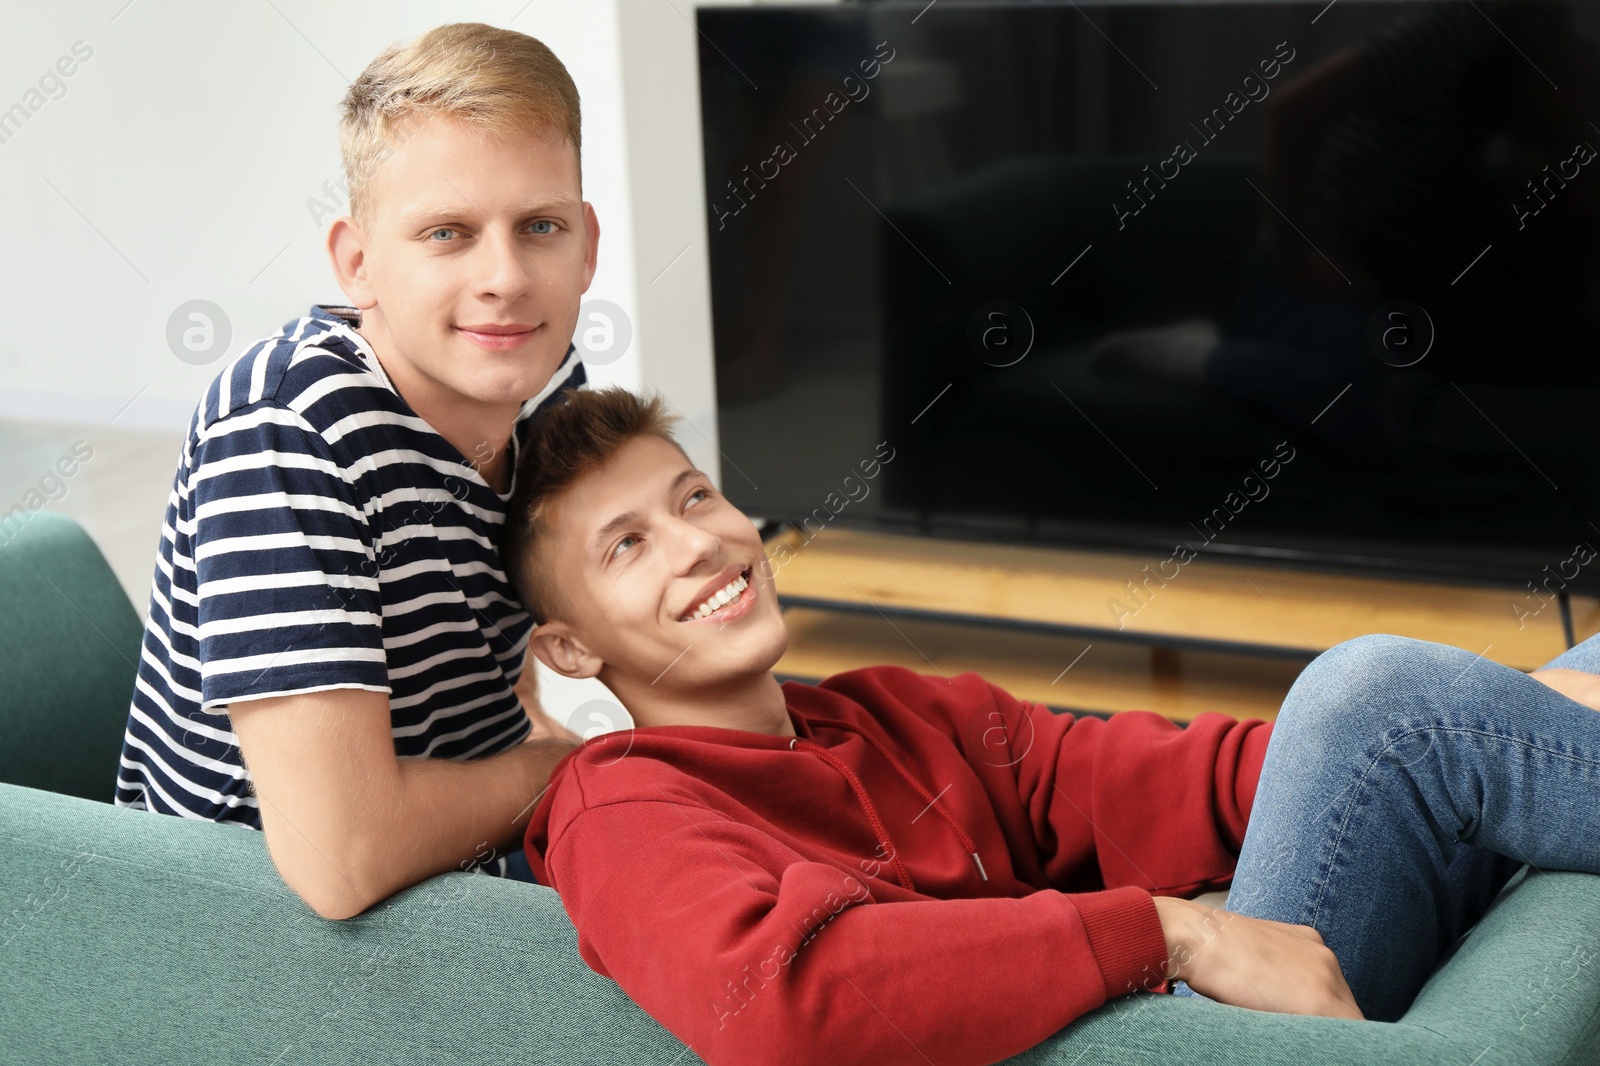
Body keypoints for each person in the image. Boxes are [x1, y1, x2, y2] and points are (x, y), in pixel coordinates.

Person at [506, 385, 1600, 1066]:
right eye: (627, 545)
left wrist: (1516, 712)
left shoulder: (894, 711)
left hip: (1178, 1019)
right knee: (1373, 698)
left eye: (694, 498)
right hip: (1145, 1029)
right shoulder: (622, 803)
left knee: (1554, 671)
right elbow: (786, 1001)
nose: (696, 543)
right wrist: (1176, 930)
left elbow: (1172, 777)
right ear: (571, 649)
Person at [112, 23, 600, 918]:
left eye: (540, 226)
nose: (507, 278)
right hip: (255, 922)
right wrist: (563, 769)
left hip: (463, 858)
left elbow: (508, 618)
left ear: (587, 244)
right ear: (358, 262)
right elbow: (340, 863)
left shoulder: (544, 376)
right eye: (447, 233)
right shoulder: (288, 427)